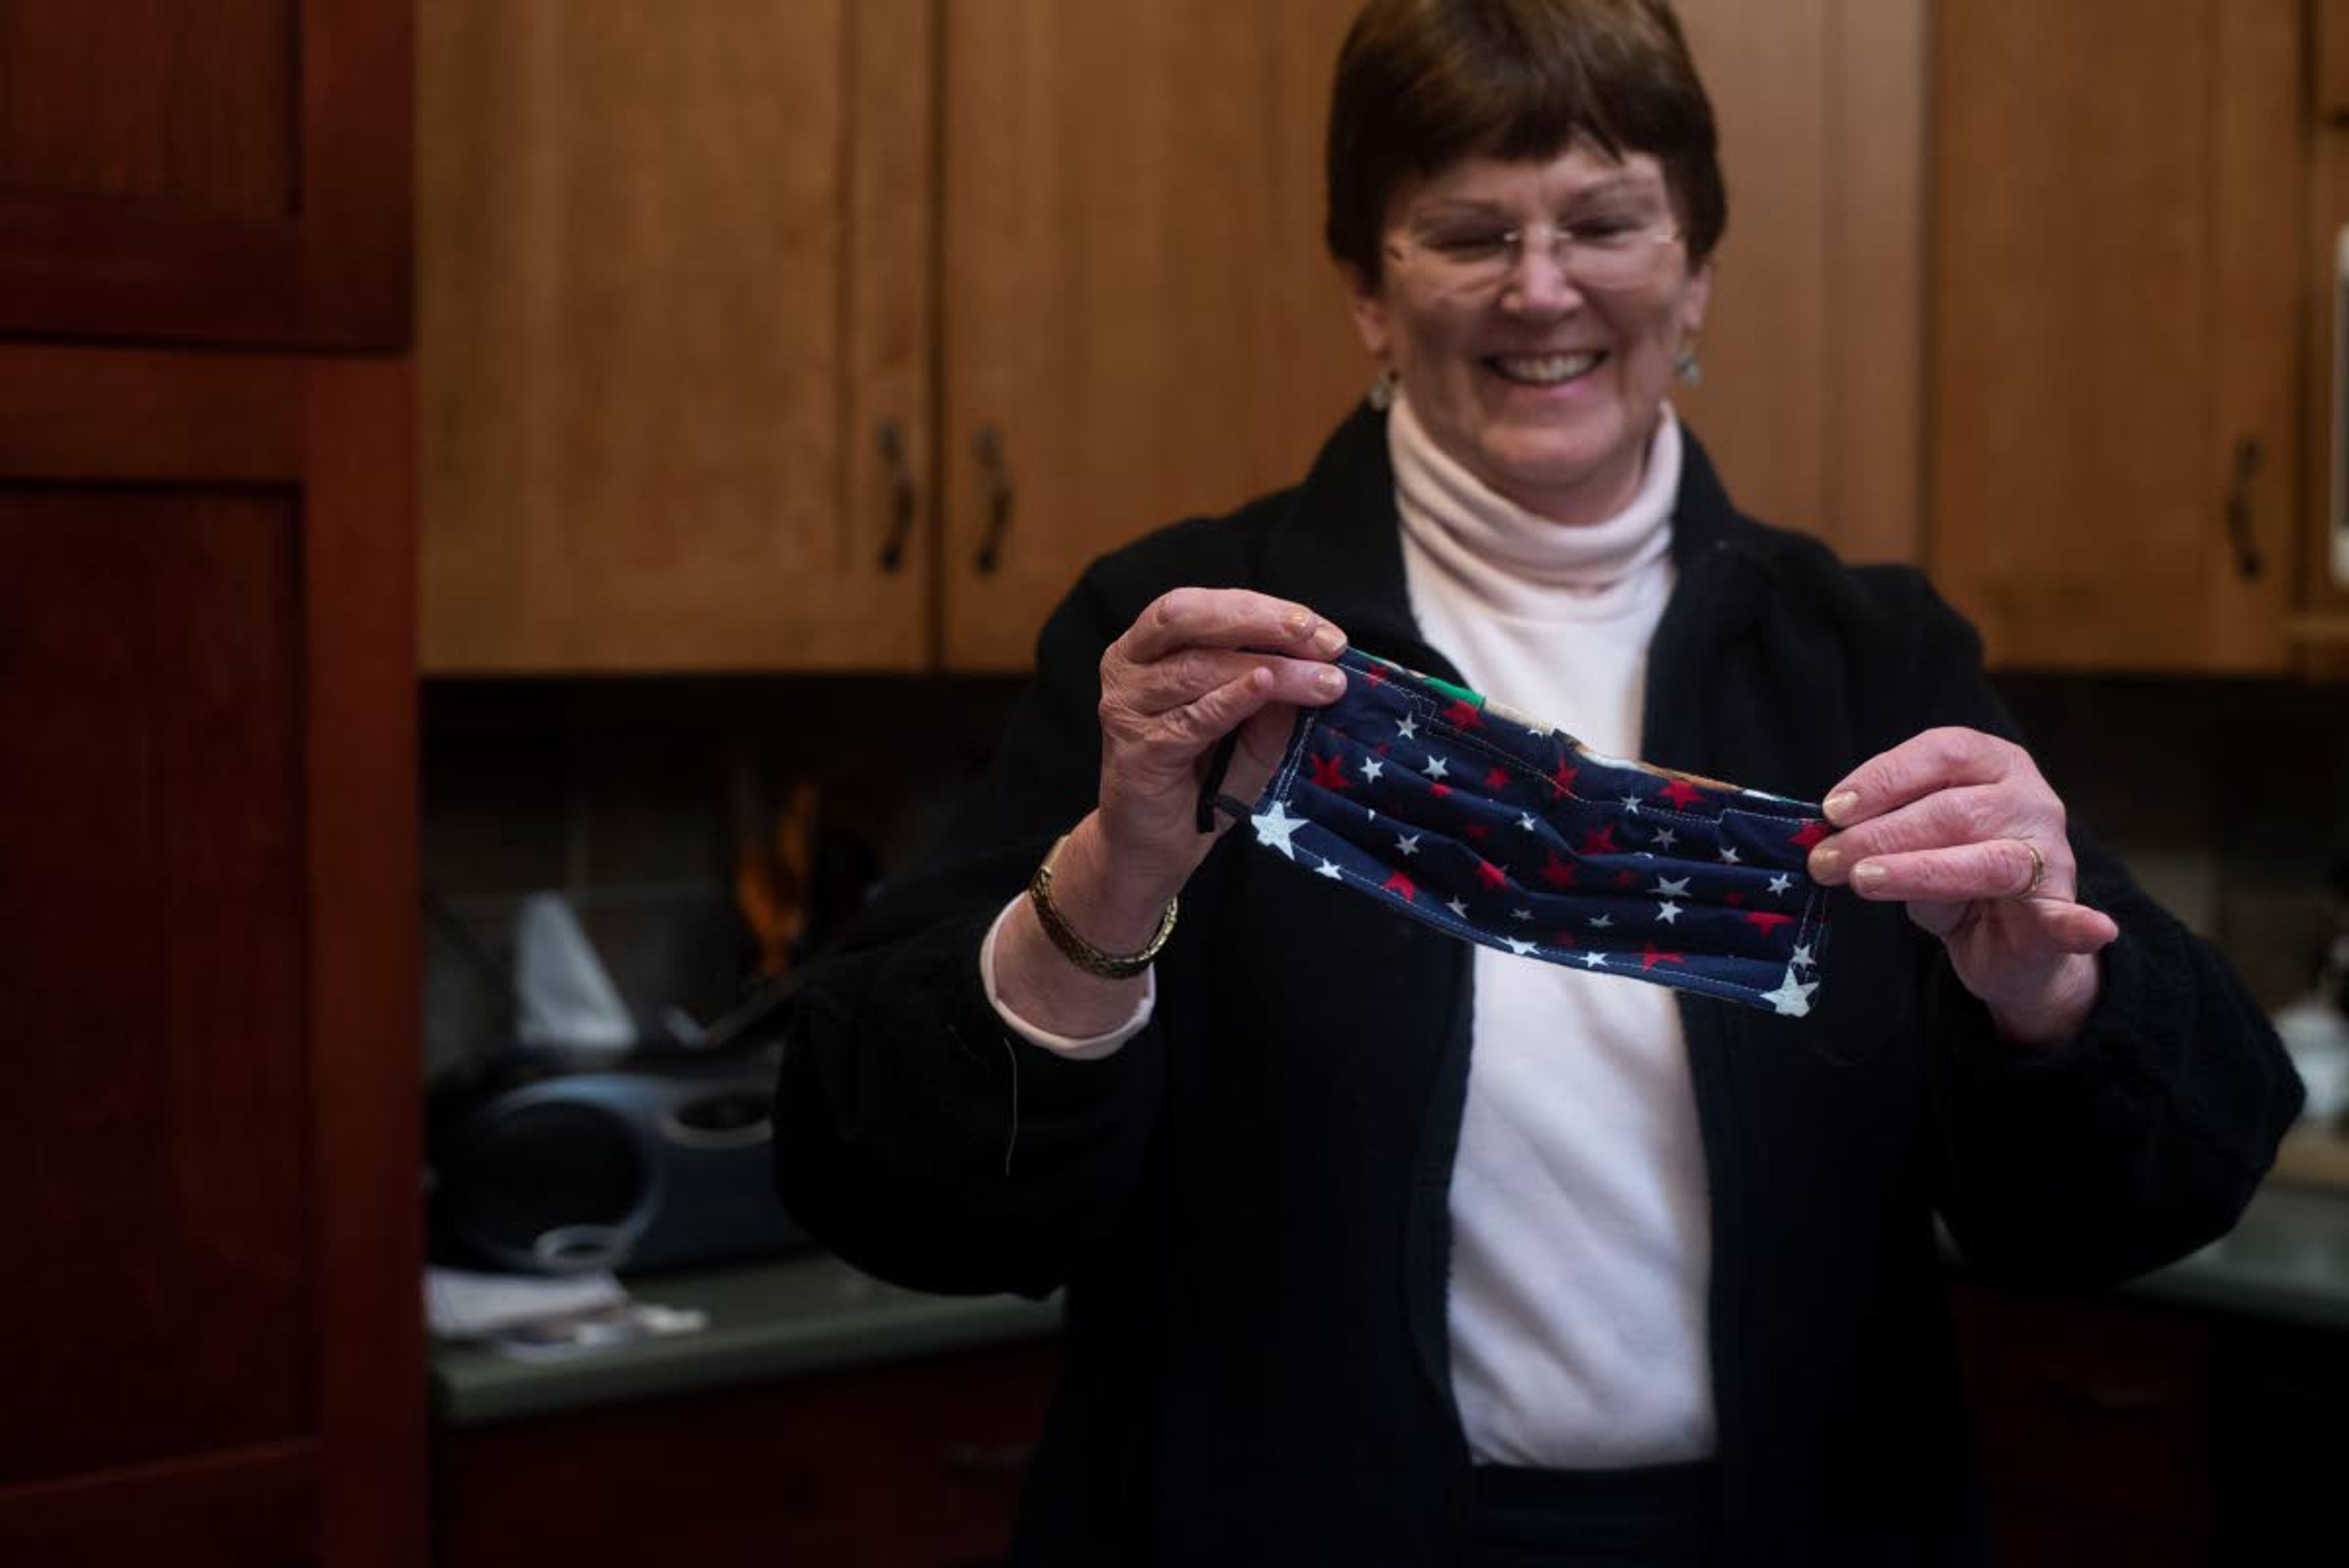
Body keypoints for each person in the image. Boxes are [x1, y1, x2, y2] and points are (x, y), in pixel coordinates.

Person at [772, 2, 2302, 1562]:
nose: (1543, 286)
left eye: (1606, 221)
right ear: (1369, 290)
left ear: (1696, 269)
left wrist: (2048, 996)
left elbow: (2166, 1186)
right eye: (1466, 231)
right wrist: (1116, 873)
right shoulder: (1179, 646)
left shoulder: (1866, 659)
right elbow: (891, 1187)